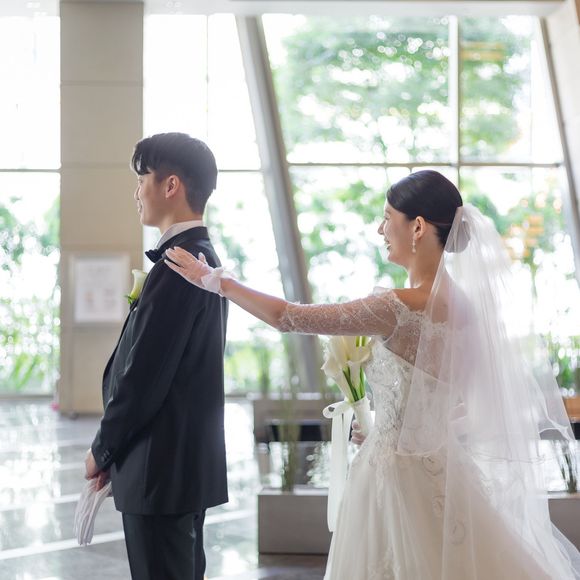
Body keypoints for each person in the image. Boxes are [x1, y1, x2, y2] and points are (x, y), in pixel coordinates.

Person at [165, 169, 580, 579]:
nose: (380, 229)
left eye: (387, 217)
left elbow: (289, 317)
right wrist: (396, 424)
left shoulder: (396, 306)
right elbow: (461, 408)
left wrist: (218, 282)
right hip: (449, 475)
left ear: (417, 227)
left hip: (393, 481)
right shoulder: (470, 309)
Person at [84, 132, 228, 580]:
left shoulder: (181, 266)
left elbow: (144, 377)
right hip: (176, 468)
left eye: (141, 179)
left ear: (170, 186)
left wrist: (102, 450)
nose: (136, 192)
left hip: (160, 470)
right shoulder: (202, 260)